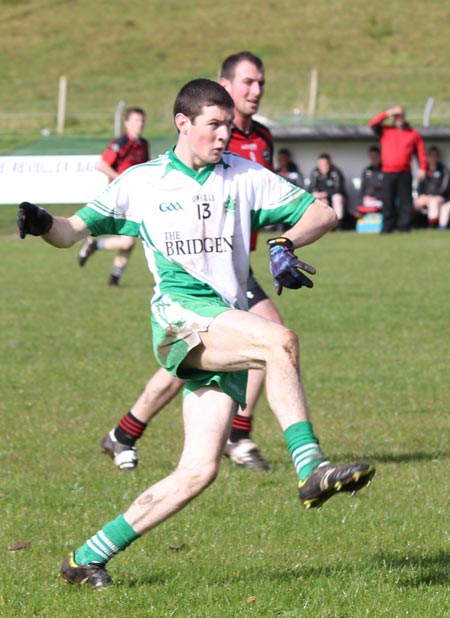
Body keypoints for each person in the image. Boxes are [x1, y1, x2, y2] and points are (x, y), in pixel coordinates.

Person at [17, 78, 375, 590]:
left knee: (197, 471)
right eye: (214, 125)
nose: (225, 134)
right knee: (279, 341)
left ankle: (84, 558)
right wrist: (42, 220)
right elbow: (73, 229)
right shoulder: (143, 181)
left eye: (229, 125)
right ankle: (310, 466)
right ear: (183, 124)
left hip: (219, 321)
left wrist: (285, 242)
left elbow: (325, 212)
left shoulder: (243, 174)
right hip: (179, 317)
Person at [101, 51, 286, 473]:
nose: (256, 91)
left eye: (261, 83)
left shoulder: (262, 138)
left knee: (202, 355)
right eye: (247, 82)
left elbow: (265, 203)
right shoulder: (208, 140)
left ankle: (125, 432)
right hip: (199, 266)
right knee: (263, 338)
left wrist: (288, 232)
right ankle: (240, 435)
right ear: (224, 85)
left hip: (236, 264)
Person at [78, 107, 150, 286]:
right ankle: (94, 246)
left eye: (141, 120)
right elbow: (101, 164)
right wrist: (121, 179)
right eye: (136, 120)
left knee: (129, 242)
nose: (139, 124)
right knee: (127, 241)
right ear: (127, 123)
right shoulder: (120, 143)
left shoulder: (143, 144)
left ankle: (113, 280)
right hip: (121, 198)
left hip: (136, 197)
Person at [369, 106, 427, 233]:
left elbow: (420, 152)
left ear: (404, 117)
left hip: (405, 172)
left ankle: (404, 227)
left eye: (400, 116)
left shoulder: (413, 133)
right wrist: (388, 112)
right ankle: (387, 227)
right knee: (388, 201)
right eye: (396, 116)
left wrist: (423, 168)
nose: (398, 119)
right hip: (388, 172)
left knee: (406, 201)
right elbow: (373, 123)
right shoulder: (386, 130)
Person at [413, 145, 450, 229]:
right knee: (411, 203)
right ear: (427, 157)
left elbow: (444, 188)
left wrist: (431, 196)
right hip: (425, 197)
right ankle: (410, 226)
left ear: (438, 157)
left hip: (440, 197)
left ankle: (432, 227)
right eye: (431, 155)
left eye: (435, 155)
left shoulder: (444, 170)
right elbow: (419, 186)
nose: (433, 158)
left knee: (434, 202)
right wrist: (421, 195)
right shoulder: (424, 170)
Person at [309, 153, 347, 229]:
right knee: (314, 197)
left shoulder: (335, 172)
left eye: (325, 164)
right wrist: (321, 196)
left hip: (334, 196)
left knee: (337, 198)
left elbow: (339, 189)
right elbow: (311, 188)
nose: (323, 166)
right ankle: (318, 225)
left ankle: (339, 226)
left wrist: (326, 194)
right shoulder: (315, 173)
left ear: (329, 163)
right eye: (320, 164)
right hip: (322, 198)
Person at [354, 146, 384, 217]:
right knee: (356, 209)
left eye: (375, 156)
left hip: (381, 200)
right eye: (371, 157)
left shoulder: (384, 170)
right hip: (367, 199)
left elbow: (387, 189)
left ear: (379, 156)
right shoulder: (367, 171)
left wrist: (376, 198)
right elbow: (362, 188)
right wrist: (363, 197)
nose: (373, 159)